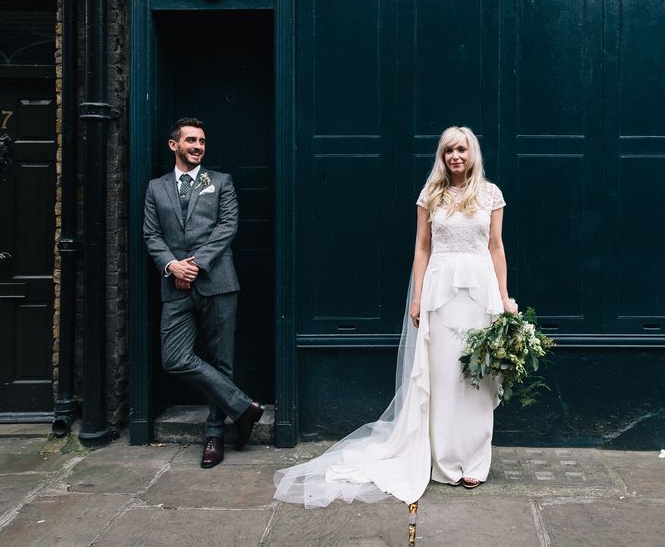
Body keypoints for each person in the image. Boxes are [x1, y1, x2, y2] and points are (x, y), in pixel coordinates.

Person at [274, 126, 517, 507]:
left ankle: (474, 458)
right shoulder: (431, 195)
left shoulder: (490, 195)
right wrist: (417, 297)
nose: (456, 156)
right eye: (449, 150)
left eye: (462, 150)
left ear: (473, 154)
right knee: (443, 374)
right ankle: (442, 457)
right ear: (442, 155)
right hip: (441, 294)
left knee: (477, 376)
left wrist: (504, 297)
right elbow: (422, 248)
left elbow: (496, 246)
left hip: (479, 292)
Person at [143, 117, 264, 469]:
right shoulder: (156, 188)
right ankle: (243, 407)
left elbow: (228, 226)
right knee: (175, 358)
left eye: (202, 142)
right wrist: (172, 266)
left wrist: (193, 265)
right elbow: (152, 235)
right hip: (174, 287)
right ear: (174, 145)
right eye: (191, 141)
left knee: (221, 360)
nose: (198, 146)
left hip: (218, 282)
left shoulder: (221, 182)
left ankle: (214, 434)